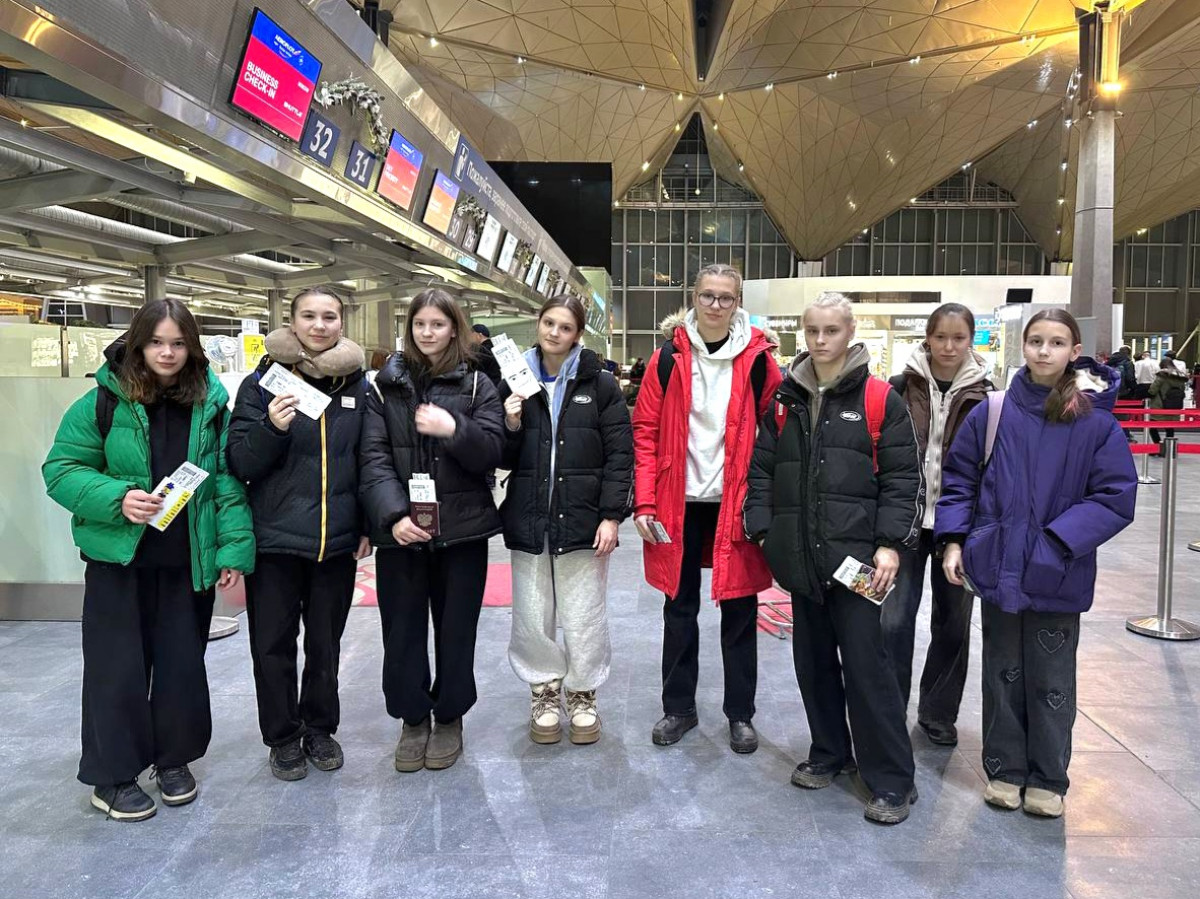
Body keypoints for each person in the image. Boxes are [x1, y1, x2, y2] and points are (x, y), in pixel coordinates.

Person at [42, 299, 254, 821]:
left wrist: (231, 548)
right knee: (116, 671)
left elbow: (226, 483)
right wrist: (117, 498)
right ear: (137, 344)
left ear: (192, 349)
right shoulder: (101, 402)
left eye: (178, 343)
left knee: (182, 668)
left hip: (186, 563)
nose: (167, 353)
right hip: (119, 564)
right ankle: (112, 776)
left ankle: (173, 759)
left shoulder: (209, 406)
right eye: (156, 342)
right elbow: (61, 469)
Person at [937, 308, 1136, 818]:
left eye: (1056, 342)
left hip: (1058, 572)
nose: (1044, 351)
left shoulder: (1095, 422)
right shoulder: (993, 412)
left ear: (1074, 351)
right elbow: (959, 480)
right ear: (1022, 347)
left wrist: (1056, 542)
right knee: (1001, 672)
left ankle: (1048, 777)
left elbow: (1114, 496)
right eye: (1036, 341)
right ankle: (1005, 770)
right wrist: (955, 541)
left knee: (1052, 679)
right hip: (997, 565)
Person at [744, 291, 923, 825]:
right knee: (814, 664)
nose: (821, 340)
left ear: (850, 332)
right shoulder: (785, 399)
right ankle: (829, 752)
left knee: (869, 669)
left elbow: (902, 479)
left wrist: (889, 543)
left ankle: (891, 779)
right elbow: (762, 469)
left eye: (832, 330)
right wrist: (765, 530)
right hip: (803, 559)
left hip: (860, 564)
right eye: (813, 330)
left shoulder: (879, 398)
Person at [632, 262, 782, 754]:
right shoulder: (666, 359)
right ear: (692, 298)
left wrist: (765, 501)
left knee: (740, 609)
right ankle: (679, 708)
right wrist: (645, 500)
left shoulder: (758, 361)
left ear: (738, 304)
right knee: (679, 609)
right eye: (707, 296)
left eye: (726, 298)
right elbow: (645, 432)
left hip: (734, 503)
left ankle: (741, 714)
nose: (716, 305)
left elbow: (775, 432)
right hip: (678, 503)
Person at [226, 286, 372, 781]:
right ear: (291, 322)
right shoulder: (260, 384)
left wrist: (366, 525)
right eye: (308, 316)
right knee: (272, 644)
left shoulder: (357, 387)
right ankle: (283, 736)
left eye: (329, 316)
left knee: (326, 644)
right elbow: (239, 461)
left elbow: (368, 459)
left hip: (336, 540)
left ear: (342, 323)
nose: (319, 325)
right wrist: (271, 426)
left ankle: (320, 728)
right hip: (275, 541)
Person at [360, 288, 505, 773]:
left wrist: (453, 429)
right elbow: (373, 457)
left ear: (454, 328)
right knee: (401, 631)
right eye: (420, 324)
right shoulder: (385, 385)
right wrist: (393, 517)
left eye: (438, 324)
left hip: (462, 531)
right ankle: (412, 718)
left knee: (456, 629)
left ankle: (450, 716)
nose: (428, 333)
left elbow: (492, 452)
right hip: (402, 535)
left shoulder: (478, 384)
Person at [499, 296, 633, 744]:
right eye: (548, 323)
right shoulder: (514, 379)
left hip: (583, 519)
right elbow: (500, 454)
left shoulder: (600, 384)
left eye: (565, 327)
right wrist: (511, 423)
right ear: (538, 324)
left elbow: (620, 455)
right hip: (529, 515)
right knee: (532, 612)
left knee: (584, 613)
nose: (554, 333)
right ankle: (543, 689)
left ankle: (582, 693)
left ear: (577, 334)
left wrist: (611, 516)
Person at [882, 304, 992, 747]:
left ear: (971, 340)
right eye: (940, 336)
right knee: (892, 619)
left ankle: (938, 712)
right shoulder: (898, 387)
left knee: (953, 623)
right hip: (904, 521)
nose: (948, 346)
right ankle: (888, 708)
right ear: (927, 337)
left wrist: (969, 531)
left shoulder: (986, 396)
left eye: (958, 337)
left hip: (958, 525)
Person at [1148, 356, 1188, 452]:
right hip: (1175, 407)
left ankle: (1159, 447)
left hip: (1160, 406)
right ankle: (1169, 449)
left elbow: (1152, 390)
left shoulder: (1162, 376)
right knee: (1170, 427)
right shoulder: (1180, 377)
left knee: (1152, 427)